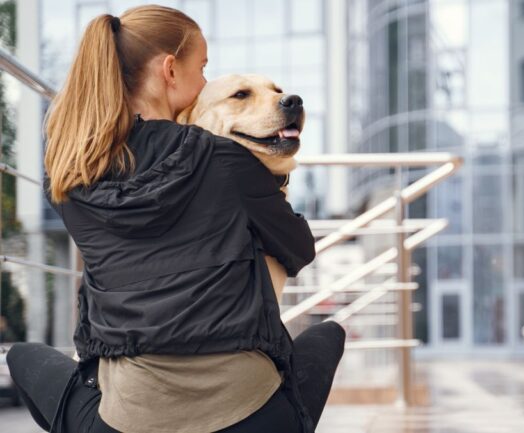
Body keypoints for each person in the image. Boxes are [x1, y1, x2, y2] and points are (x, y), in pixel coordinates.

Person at [6, 5, 345, 433]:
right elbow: (299, 249)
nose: (204, 80)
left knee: (23, 357)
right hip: (252, 417)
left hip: (126, 420)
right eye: (201, 68)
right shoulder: (223, 157)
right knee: (326, 336)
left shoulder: (69, 172)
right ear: (170, 69)